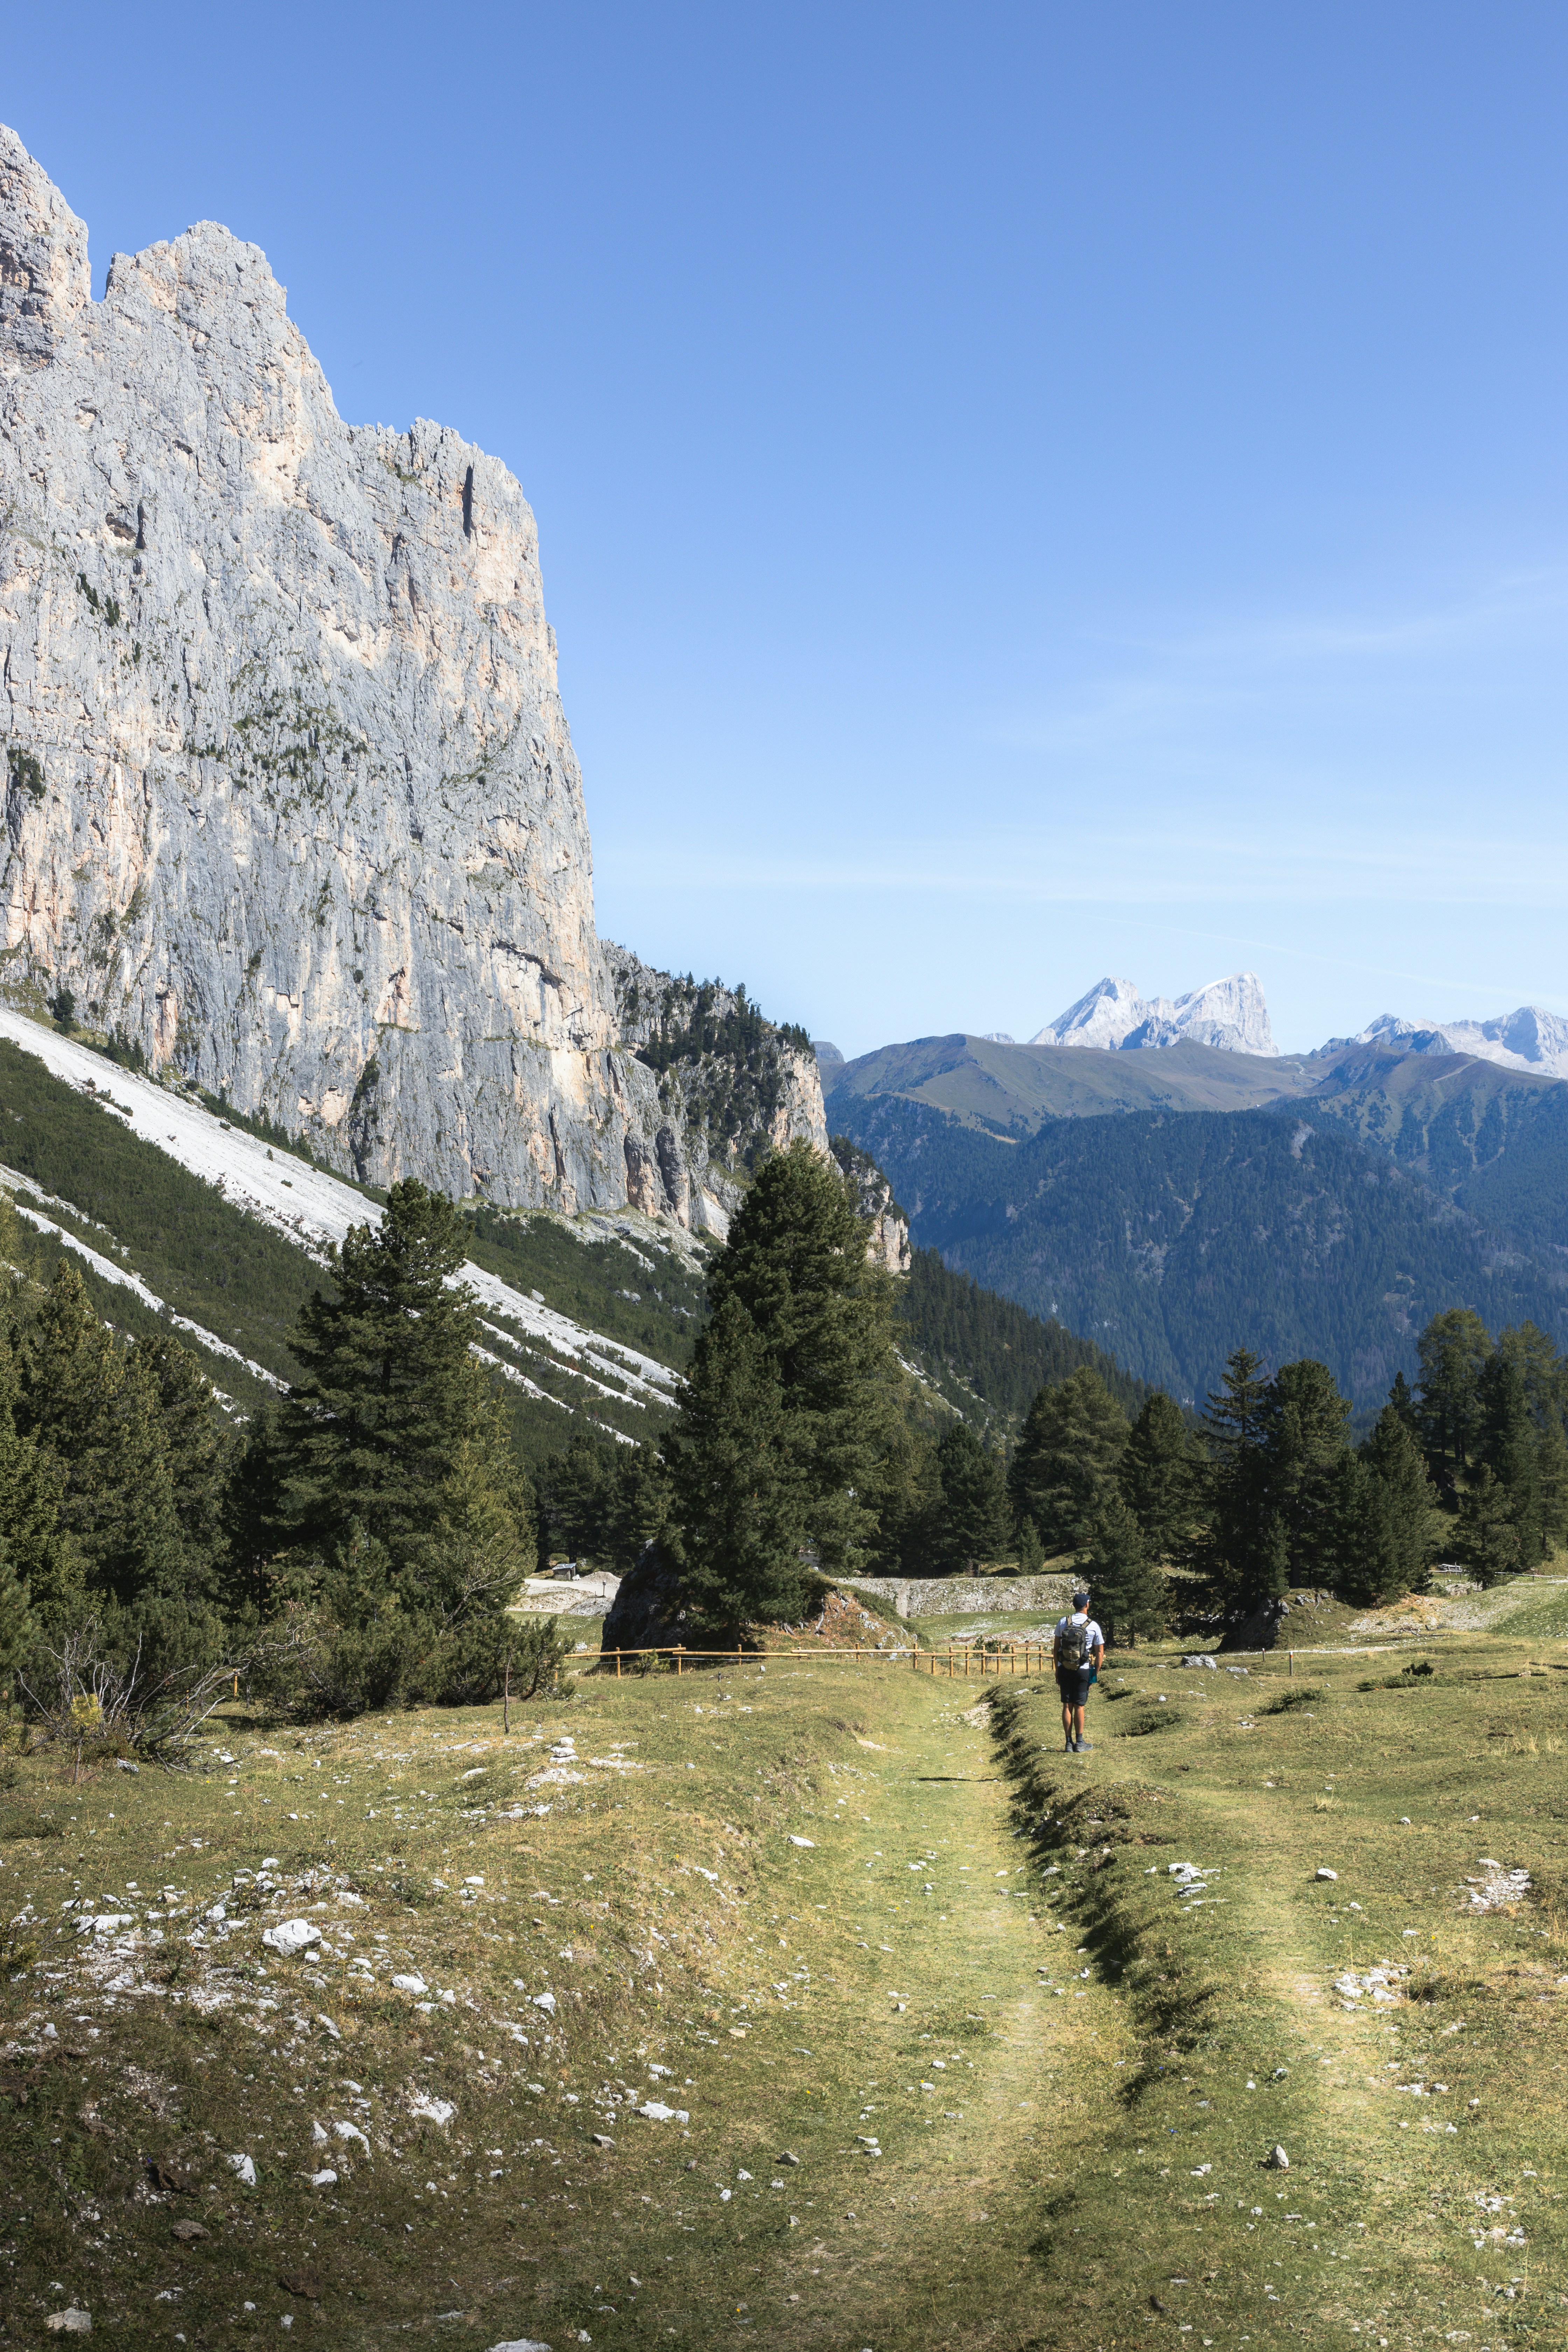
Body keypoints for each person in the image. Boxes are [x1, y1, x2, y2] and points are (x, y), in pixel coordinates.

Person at [1052, 1589, 1105, 1754]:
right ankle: (1080, 1743)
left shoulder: (1063, 1622)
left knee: (1067, 1706)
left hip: (1064, 1668)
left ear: (1075, 1606)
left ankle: (1068, 1744)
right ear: (1087, 1605)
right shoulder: (1093, 1625)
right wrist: (1094, 1673)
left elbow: (1056, 1649)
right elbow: (1100, 1653)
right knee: (1080, 1706)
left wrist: (1057, 1670)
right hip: (1083, 1669)